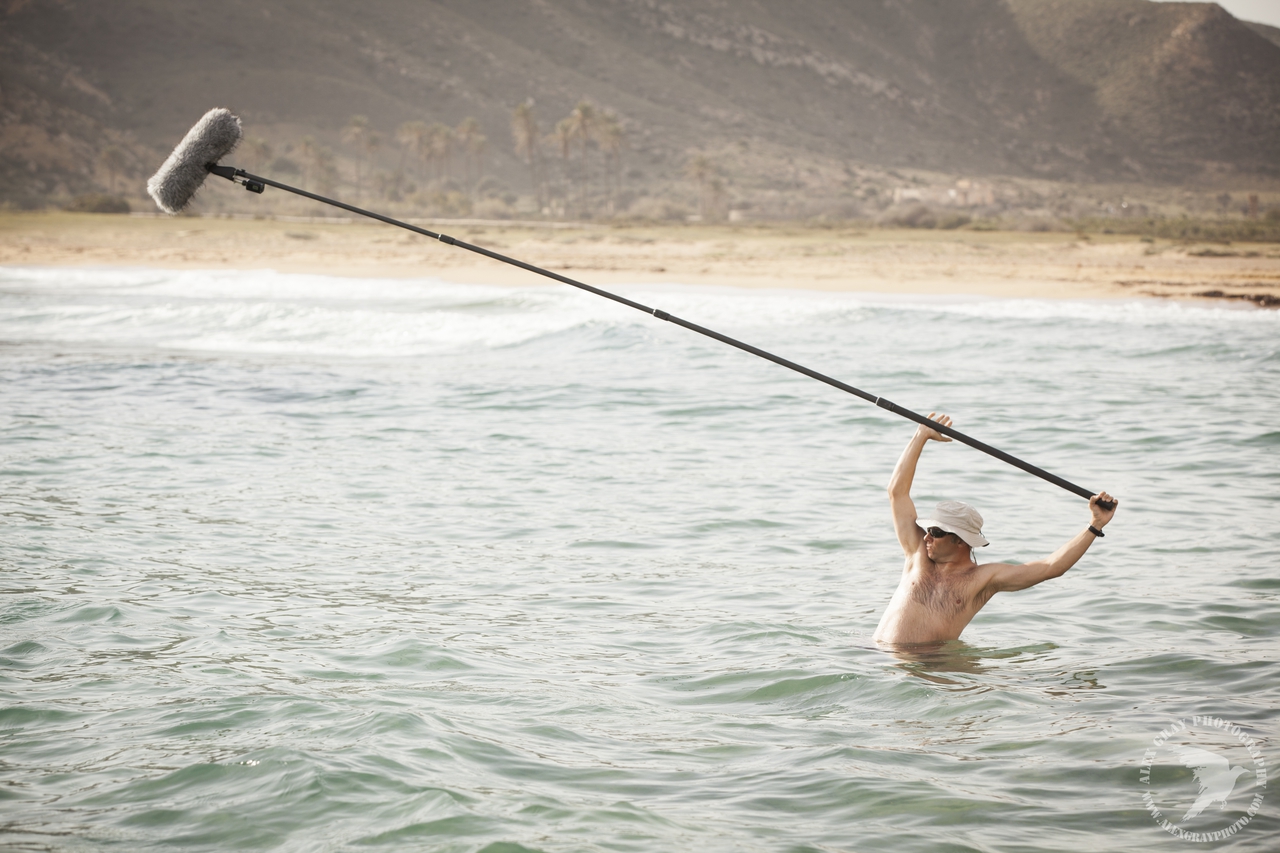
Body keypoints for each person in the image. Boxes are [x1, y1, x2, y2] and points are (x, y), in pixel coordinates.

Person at [873, 413, 1117, 645]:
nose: (926, 537)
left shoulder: (984, 579)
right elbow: (896, 493)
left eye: (936, 532)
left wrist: (1095, 525)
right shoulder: (916, 554)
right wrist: (921, 435)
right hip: (879, 659)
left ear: (961, 541)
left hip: (932, 668)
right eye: (928, 530)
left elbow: (1051, 567)